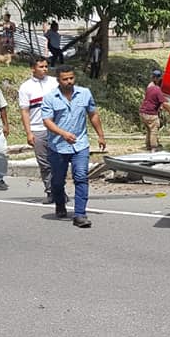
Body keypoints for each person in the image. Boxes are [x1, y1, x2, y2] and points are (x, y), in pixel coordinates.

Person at [41, 64, 106, 228]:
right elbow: (47, 121)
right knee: (57, 181)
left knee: (81, 177)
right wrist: (63, 133)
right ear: (58, 80)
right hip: (57, 147)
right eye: (65, 79)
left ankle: (80, 215)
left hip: (80, 144)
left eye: (71, 78)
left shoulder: (84, 93)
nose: (69, 81)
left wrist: (100, 135)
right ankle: (60, 204)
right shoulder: (50, 98)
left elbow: (93, 114)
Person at [18, 57, 59, 204]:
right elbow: (25, 111)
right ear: (33, 68)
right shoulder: (26, 87)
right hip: (37, 129)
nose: (44, 69)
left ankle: (60, 190)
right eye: (41, 67)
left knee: (58, 162)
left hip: (56, 129)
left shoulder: (55, 83)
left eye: (46, 66)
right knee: (44, 163)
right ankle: (50, 191)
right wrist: (29, 132)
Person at [139, 68, 170, 151]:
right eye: (158, 77)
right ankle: (154, 148)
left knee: (149, 130)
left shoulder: (150, 87)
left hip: (143, 112)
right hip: (150, 113)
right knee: (154, 130)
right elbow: (165, 104)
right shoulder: (157, 89)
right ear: (156, 78)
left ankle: (148, 146)